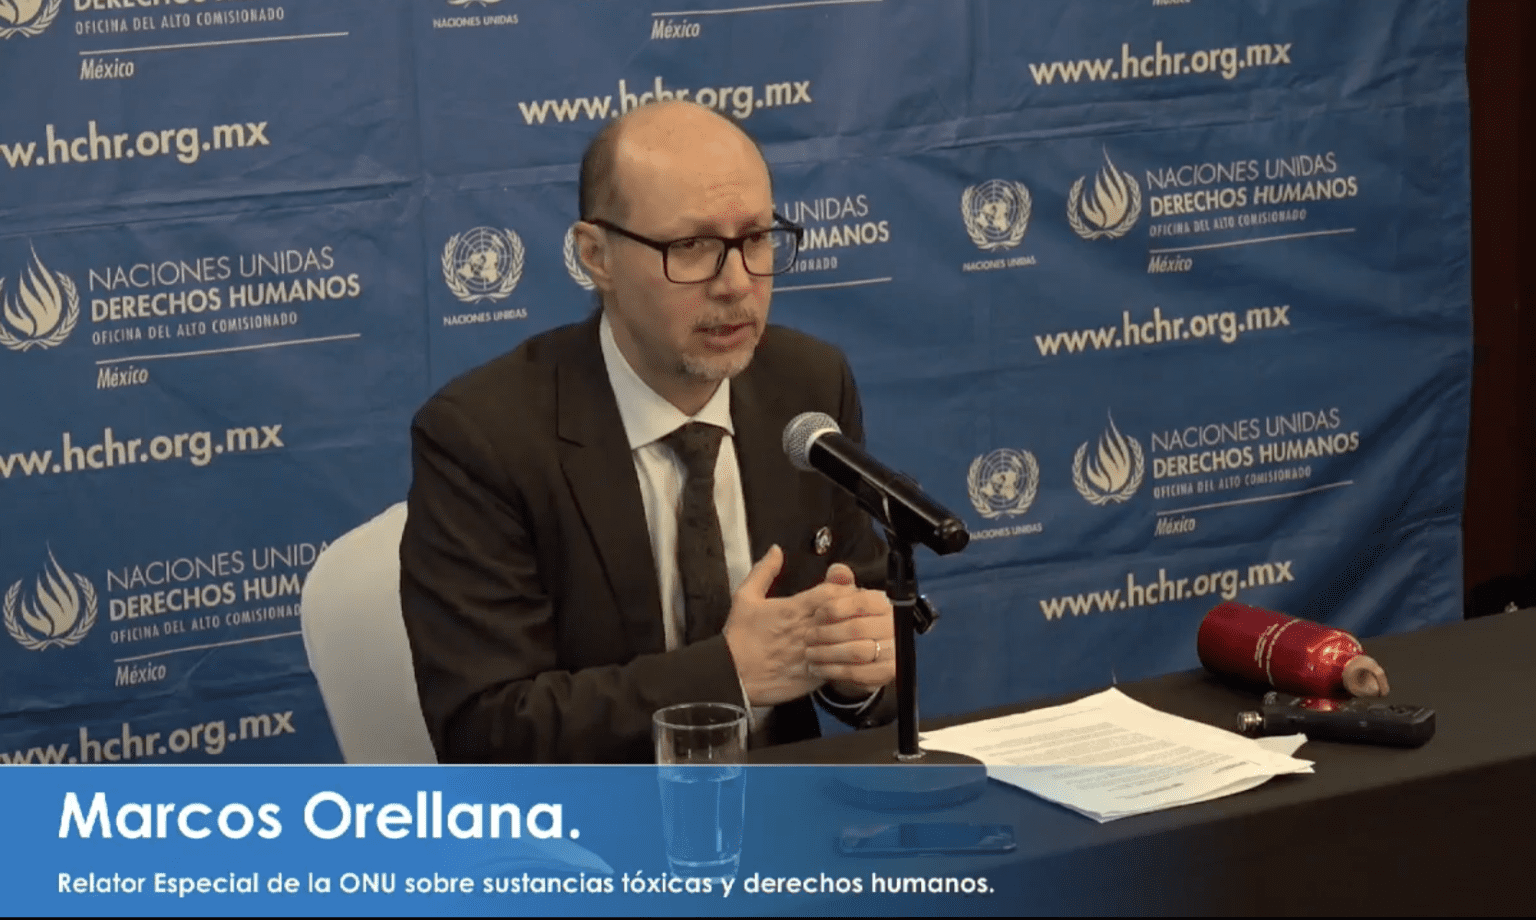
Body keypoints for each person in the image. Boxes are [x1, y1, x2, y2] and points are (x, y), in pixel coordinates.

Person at [399, 100, 897, 763]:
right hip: (591, 818)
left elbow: (861, 626)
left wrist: (858, 667)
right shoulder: (483, 437)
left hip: (782, 797)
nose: (736, 283)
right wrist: (729, 675)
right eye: (691, 247)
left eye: (755, 238)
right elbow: (486, 731)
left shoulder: (807, 388)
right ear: (596, 255)